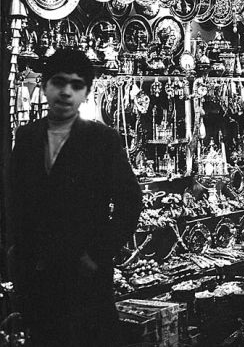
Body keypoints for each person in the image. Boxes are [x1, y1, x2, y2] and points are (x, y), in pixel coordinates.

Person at [9, 49, 143, 346]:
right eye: (59, 82)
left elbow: (130, 201)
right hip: (39, 276)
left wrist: (97, 254)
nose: (66, 92)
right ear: (44, 86)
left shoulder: (102, 140)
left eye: (76, 85)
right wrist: (17, 254)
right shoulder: (27, 137)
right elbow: (15, 201)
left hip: (86, 276)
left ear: (86, 93)